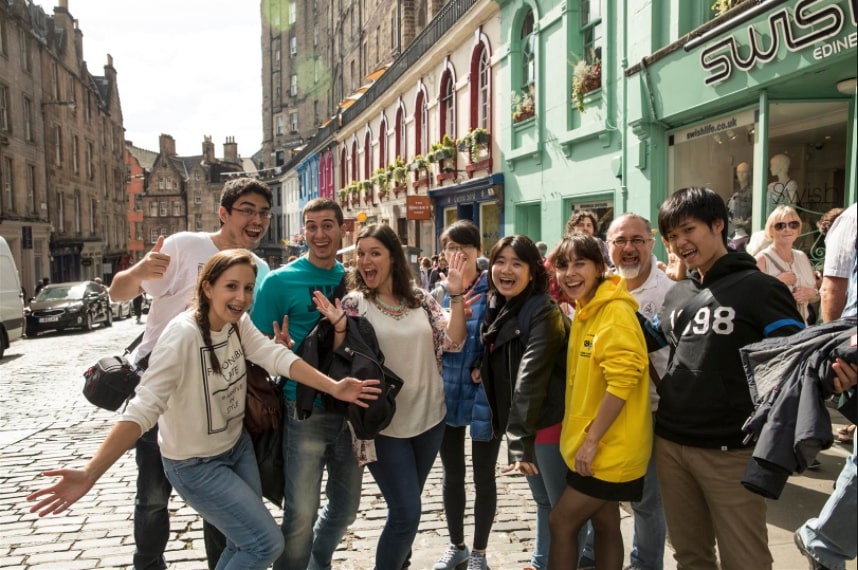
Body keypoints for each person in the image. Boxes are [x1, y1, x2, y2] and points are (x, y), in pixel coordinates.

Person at [27, 249, 381, 569]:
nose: (241, 297)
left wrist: (334, 386)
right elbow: (143, 407)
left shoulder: (236, 324)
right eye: (231, 286)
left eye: (247, 287)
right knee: (265, 544)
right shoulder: (182, 336)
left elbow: (275, 356)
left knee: (244, 542)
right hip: (194, 464)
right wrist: (90, 473)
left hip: (236, 448)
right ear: (208, 287)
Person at [107, 177, 275, 570]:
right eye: (247, 209)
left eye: (263, 212)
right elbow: (117, 292)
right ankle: (148, 564)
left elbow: (247, 329)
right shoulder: (184, 245)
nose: (257, 219)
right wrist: (138, 271)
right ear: (223, 213)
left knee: (223, 498)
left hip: (218, 385)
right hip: (163, 377)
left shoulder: (259, 266)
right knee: (152, 494)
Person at [654, 187, 805, 570]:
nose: (680, 243)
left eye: (688, 230)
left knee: (746, 560)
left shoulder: (761, 289)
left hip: (731, 452)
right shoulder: (678, 295)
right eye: (671, 237)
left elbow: (796, 364)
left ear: (718, 224)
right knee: (690, 556)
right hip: (671, 445)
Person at [336, 224, 469, 570]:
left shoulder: (420, 299)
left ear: (393, 257)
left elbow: (454, 342)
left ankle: (400, 563)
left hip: (429, 420)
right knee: (407, 512)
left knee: (406, 510)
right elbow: (344, 358)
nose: (365, 260)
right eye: (360, 253)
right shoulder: (355, 304)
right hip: (384, 426)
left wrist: (454, 296)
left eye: (374, 252)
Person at [250, 198, 361, 570]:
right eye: (311, 226)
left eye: (327, 225)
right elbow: (253, 341)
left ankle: (318, 563)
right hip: (304, 409)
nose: (319, 234)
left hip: (349, 412)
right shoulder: (279, 282)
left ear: (342, 228)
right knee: (300, 514)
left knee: (345, 509)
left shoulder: (352, 279)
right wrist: (275, 349)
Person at [547, 233, 651, 570]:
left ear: (599, 267)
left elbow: (623, 381)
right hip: (595, 446)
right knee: (606, 523)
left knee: (561, 523)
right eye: (563, 265)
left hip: (610, 448)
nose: (570, 273)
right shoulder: (587, 309)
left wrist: (591, 442)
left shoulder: (614, 311)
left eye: (580, 264)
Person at [577, 213, 673, 570]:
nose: (628, 248)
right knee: (597, 492)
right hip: (605, 412)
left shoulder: (670, 291)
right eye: (620, 241)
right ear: (609, 247)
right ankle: (592, 554)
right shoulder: (601, 287)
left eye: (637, 240)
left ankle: (646, 563)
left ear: (651, 244)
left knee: (646, 499)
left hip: (651, 412)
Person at [478, 235, 569, 570]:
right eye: (500, 261)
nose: (506, 269)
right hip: (524, 424)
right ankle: (542, 561)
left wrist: (518, 440)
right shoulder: (498, 306)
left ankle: (562, 561)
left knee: (563, 505)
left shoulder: (543, 310)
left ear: (533, 272)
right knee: (544, 500)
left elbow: (531, 374)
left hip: (546, 422)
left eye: (517, 263)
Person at [430, 221, 498, 570]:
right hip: (448, 390)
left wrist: (485, 363)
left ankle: (480, 553)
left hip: (485, 393)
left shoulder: (494, 287)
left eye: (463, 248)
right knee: (452, 473)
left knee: (484, 474)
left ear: (477, 251)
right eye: (449, 249)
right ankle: (456, 544)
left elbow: (504, 336)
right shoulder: (441, 292)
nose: (456, 255)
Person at [794, 202, 857, 570]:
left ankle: (825, 540)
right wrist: (835, 363)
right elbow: (832, 290)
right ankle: (825, 541)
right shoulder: (852, 220)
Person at [755, 206, 819, 325]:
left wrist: (811, 293)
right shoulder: (761, 260)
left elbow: (815, 293)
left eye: (793, 224)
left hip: (802, 328)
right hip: (774, 330)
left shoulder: (802, 257)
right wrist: (778, 282)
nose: (787, 229)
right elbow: (753, 300)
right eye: (780, 226)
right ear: (771, 230)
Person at [727, 161, 752, 250]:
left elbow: (758, 211)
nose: (741, 175)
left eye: (744, 172)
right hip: (732, 234)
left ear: (749, 174)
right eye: (739, 172)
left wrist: (746, 222)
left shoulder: (752, 191)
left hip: (745, 235)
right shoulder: (735, 193)